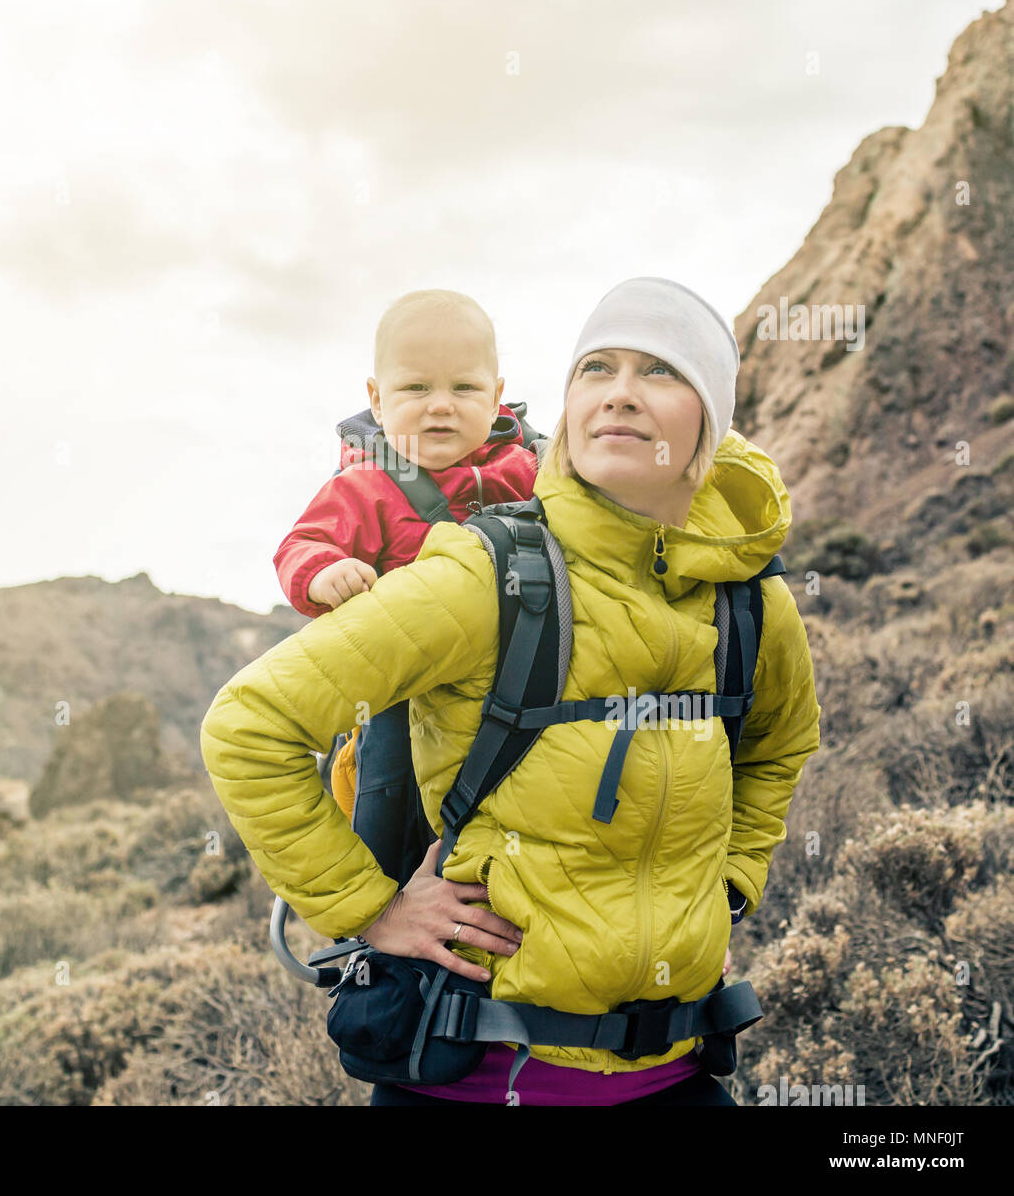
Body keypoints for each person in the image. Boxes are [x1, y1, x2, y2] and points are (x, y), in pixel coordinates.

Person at [201, 276, 822, 1106]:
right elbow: (249, 726)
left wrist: (730, 886)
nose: (622, 395)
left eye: (662, 371)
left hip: (681, 1074)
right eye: (597, 367)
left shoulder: (752, 600)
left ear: (711, 412)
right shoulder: (484, 571)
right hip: (476, 1080)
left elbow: (778, 747)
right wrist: (373, 911)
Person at [271, 289, 539, 864]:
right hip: (405, 695)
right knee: (391, 803)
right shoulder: (367, 485)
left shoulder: (532, 469)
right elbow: (301, 545)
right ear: (377, 397)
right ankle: (384, 924)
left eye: (463, 388)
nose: (440, 405)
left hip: (519, 685)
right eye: (416, 388)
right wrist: (326, 573)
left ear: (496, 397)